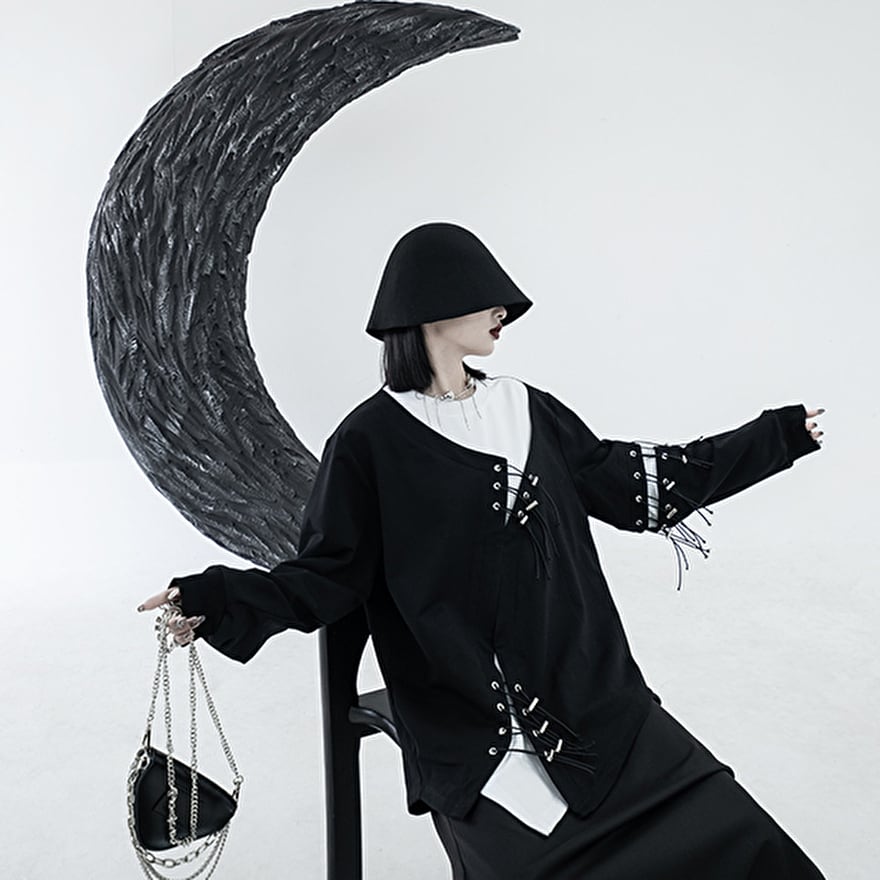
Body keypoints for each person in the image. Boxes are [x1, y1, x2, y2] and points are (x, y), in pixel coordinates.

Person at [138, 221, 827, 878]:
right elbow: (327, 574)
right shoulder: (368, 441)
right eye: (484, 295)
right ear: (428, 308)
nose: (504, 310)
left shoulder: (528, 409)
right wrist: (214, 597)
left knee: (746, 844)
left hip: (602, 709)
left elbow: (632, 485)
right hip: (476, 728)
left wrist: (775, 438)